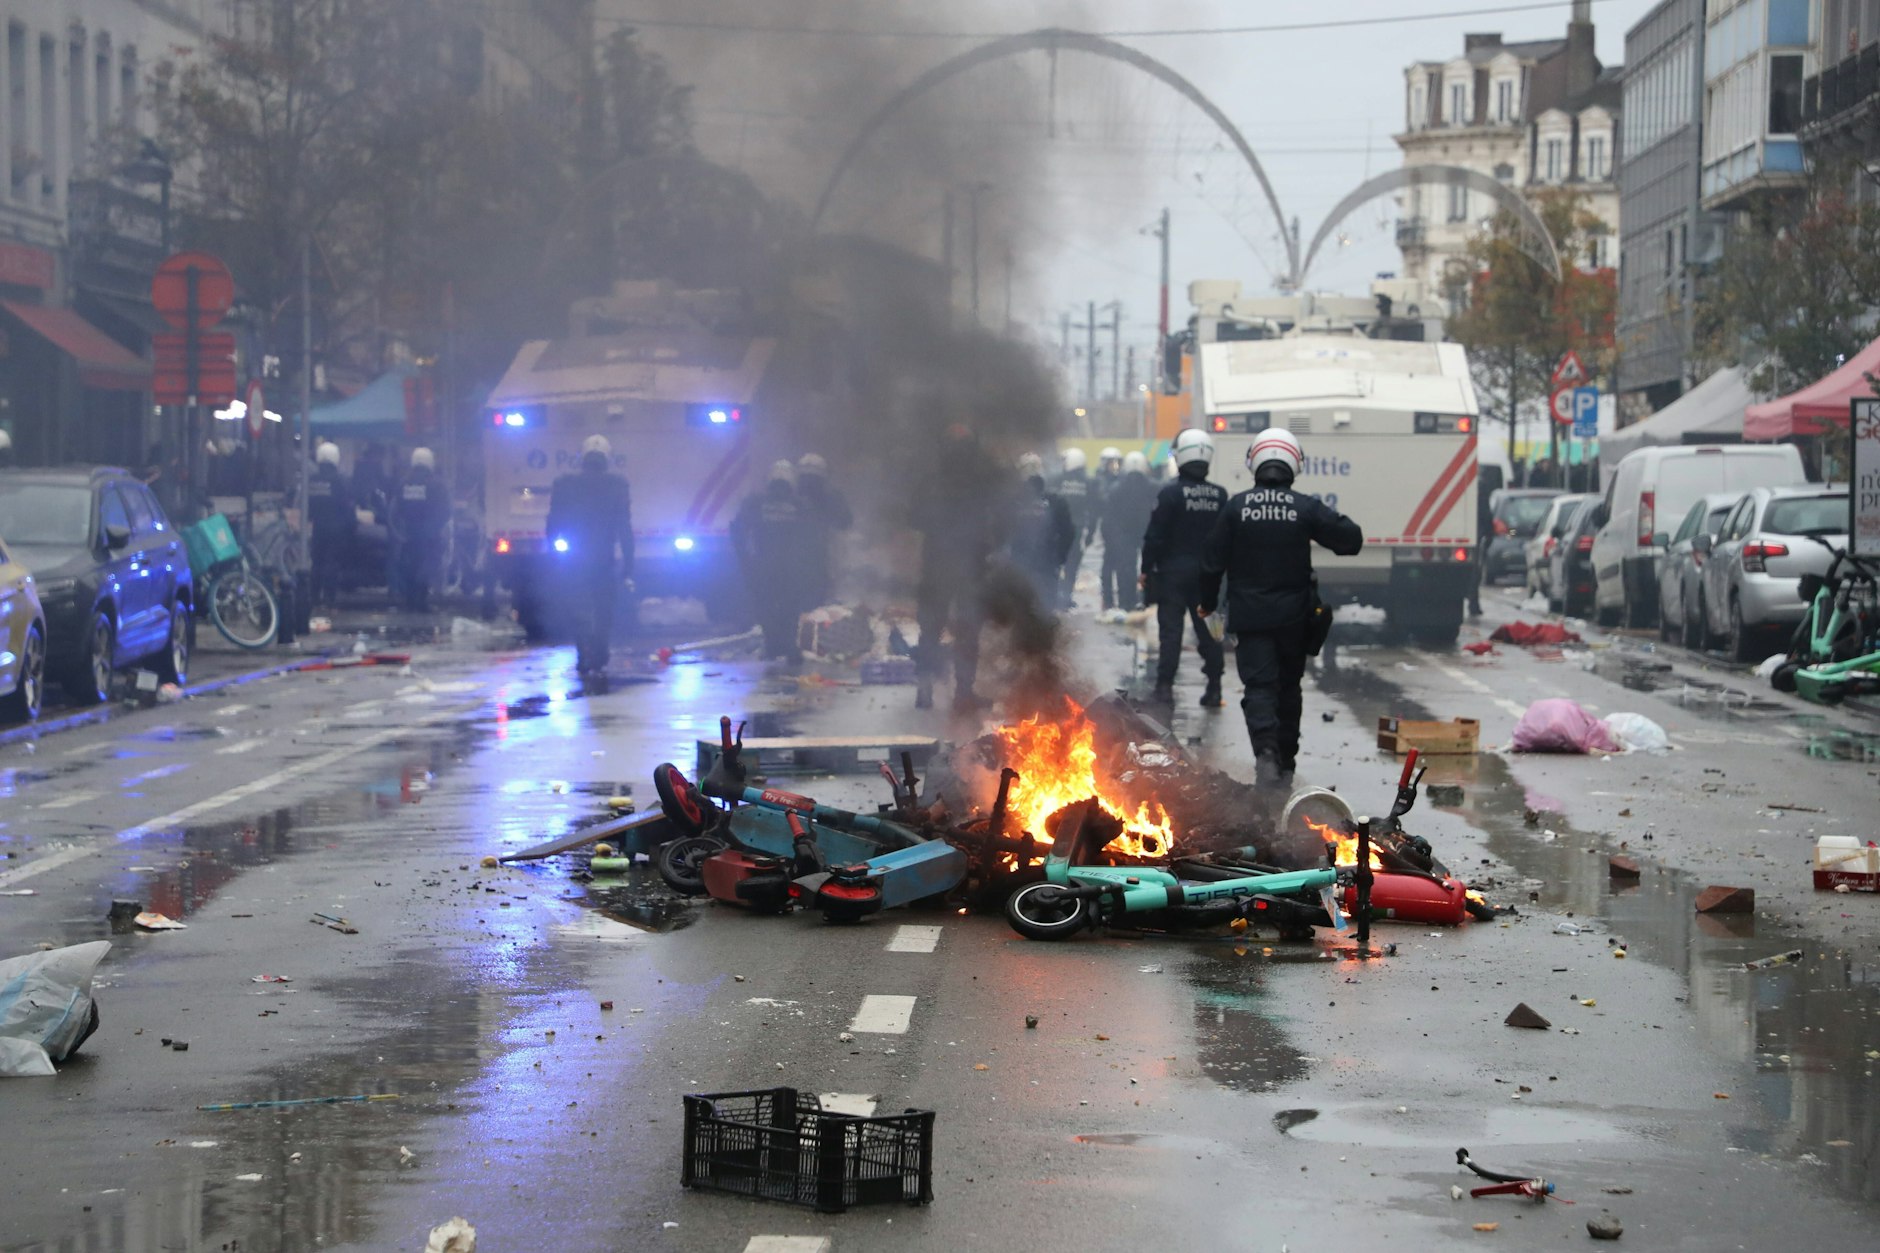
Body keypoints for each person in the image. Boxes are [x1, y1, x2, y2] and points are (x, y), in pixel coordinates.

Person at [1200, 427, 1363, 790]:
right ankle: (1285, 765)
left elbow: (1211, 563)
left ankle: (1266, 757)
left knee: (1259, 687)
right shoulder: (1304, 507)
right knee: (1289, 688)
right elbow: (1351, 539)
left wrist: (1206, 604)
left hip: (1250, 616)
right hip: (1293, 619)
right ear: (1294, 463)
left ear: (1254, 463)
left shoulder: (1236, 507)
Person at [913, 424, 998, 712]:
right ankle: (963, 692)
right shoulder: (979, 482)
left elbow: (915, 517)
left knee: (930, 628)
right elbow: (992, 523)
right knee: (967, 629)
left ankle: (924, 689)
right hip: (969, 565)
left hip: (936, 563)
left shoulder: (930, 481)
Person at [1141, 429, 1228, 707]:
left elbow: (1155, 535)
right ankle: (1214, 688)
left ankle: (1165, 687)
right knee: (1210, 632)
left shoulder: (1170, 494)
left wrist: (1146, 567)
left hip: (1173, 575)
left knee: (1171, 632)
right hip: (1208, 578)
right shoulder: (1220, 495)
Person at [546, 434, 634, 674]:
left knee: (578, 606)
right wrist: (629, 564)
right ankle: (600, 650)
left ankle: (584, 651)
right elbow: (624, 527)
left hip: (574, 558)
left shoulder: (564, 484)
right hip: (604, 558)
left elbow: (553, 523)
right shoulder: (617, 486)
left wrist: (553, 554)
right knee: (604, 607)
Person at [731, 460, 812, 663]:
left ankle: (773, 646)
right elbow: (811, 536)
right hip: (790, 567)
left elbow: (737, 528)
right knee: (789, 608)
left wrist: (744, 557)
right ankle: (788, 646)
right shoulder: (798, 505)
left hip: (764, 565)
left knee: (766, 607)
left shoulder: (756, 503)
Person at [1009, 452, 1075, 611]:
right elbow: (1069, 532)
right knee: (1044, 612)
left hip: (1021, 563)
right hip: (1046, 563)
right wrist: (1059, 557)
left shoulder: (1012, 501)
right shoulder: (1055, 500)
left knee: (1020, 612)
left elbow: (1000, 532)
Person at [392, 447, 450, 612]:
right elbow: (445, 510)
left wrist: (403, 530)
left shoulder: (404, 483)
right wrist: (435, 528)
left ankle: (410, 601)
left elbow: (397, 508)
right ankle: (421, 602)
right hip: (430, 536)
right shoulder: (436, 484)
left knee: (410, 567)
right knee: (426, 568)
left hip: (409, 534)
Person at [1098, 450, 1156, 614]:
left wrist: (1109, 536)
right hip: (1146, 532)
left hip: (1124, 534)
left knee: (1126, 569)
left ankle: (1126, 602)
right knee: (1149, 568)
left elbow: (1109, 514)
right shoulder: (1153, 487)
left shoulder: (1117, 488)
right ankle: (1148, 601)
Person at [795, 452, 853, 608]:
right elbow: (845, 522)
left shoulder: (794, 497)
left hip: (799, 561)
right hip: (818, 560)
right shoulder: (830, 497)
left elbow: (844, 522)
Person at [307, 442, 355, 608]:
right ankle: (329, 598)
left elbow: (308, 506)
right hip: (337, 528)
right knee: (331, 563)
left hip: (318, 527)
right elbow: (348, 505)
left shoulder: (312, 480)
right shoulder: (340, 480)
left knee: (317, 562)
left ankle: (314, 596)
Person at [1052, 448, 1095, 609]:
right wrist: (1090, 533)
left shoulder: (1056, 480)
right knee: (1072, 565)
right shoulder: (1088, 483)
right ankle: (1066, 597)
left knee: (1055, 564)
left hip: (1057, 530)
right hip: (1077, 531)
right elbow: (1094, 509)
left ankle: (1055, 596)